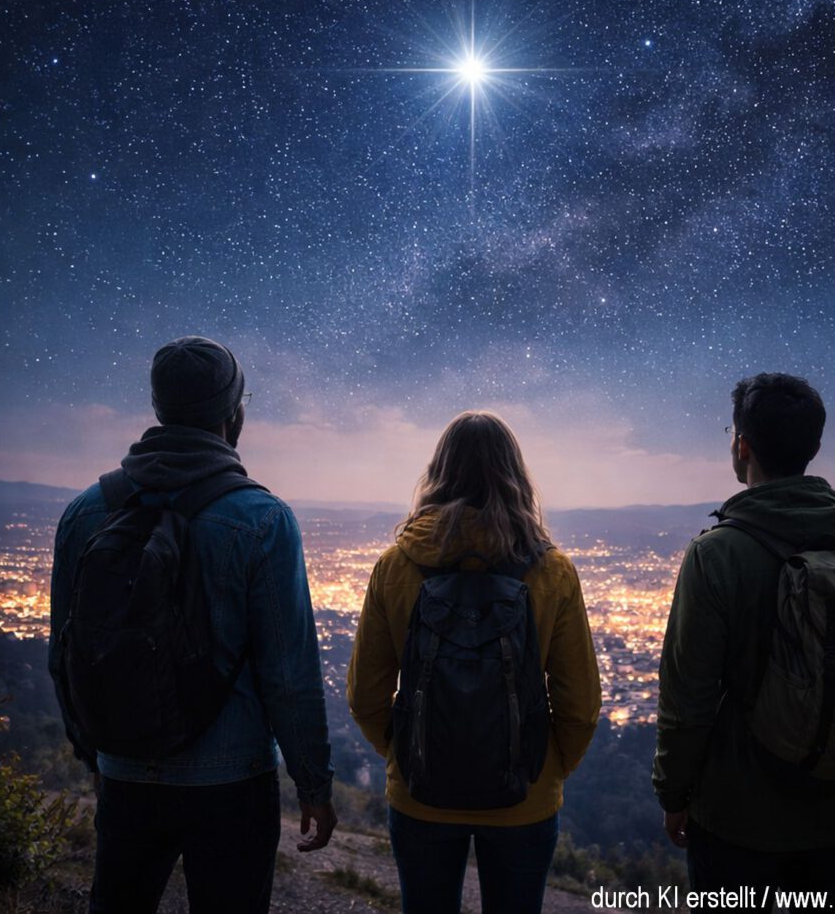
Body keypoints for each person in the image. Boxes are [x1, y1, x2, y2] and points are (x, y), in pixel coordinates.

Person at [49, 335, 336, 913]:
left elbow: (65, 654)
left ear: (158, 408)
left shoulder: (85, 512)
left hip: (125, 769)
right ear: (235, 414)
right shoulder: (263, 518)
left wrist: (94, 755)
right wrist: (313, 784)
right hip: (232, 780)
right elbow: (289, 672)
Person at [653, 372, 835, 900]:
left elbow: (688, 699)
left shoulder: (716, 555)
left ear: (742, 445)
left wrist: (673, 793)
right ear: (813, 447)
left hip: (735, 819)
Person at [347, 411, 601, 914]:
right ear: (516, 475)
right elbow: (580, 706)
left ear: (438, 472)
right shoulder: (552, 571)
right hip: (523, 798)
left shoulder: (396, 566)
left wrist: (408, 755)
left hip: (421, 796)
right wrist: (543, 769)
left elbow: (364, 697)